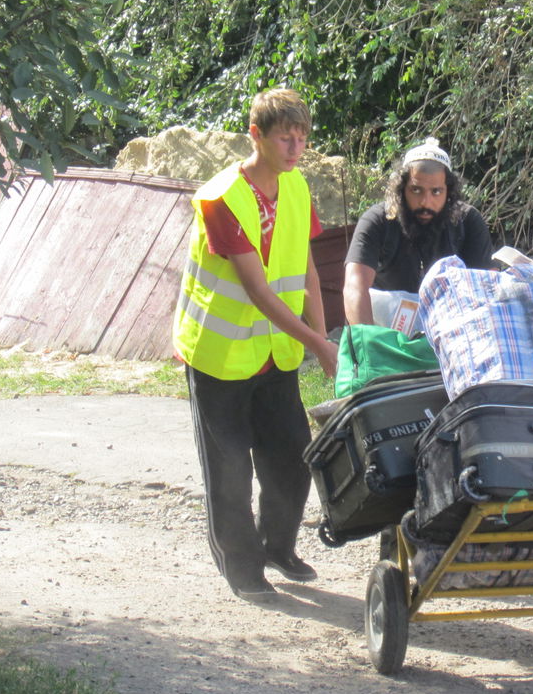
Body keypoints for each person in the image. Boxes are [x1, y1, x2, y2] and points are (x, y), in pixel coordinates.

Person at [172, 87, 339, 604]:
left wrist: (327, 335)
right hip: (219, 355)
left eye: (302, 137)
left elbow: (306, 268)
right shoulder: (221, 198)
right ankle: (243, 568)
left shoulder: (296, 189)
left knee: (292, 458)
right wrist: (318, 343)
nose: (295, 148)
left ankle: (279, 548)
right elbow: (258, 291)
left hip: (274, 352)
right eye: (285, 138)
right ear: (256, 136)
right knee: (228, 469)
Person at [343, 137, 494, 326]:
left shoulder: (468, 222)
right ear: (401, 189)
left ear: (449, 191)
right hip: (386, 335)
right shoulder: (377, 221)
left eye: (436, 192)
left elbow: (488, 292)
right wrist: (366, 342)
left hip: (452, 336)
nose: (425, 202)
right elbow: (354, 287)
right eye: (416, 190)